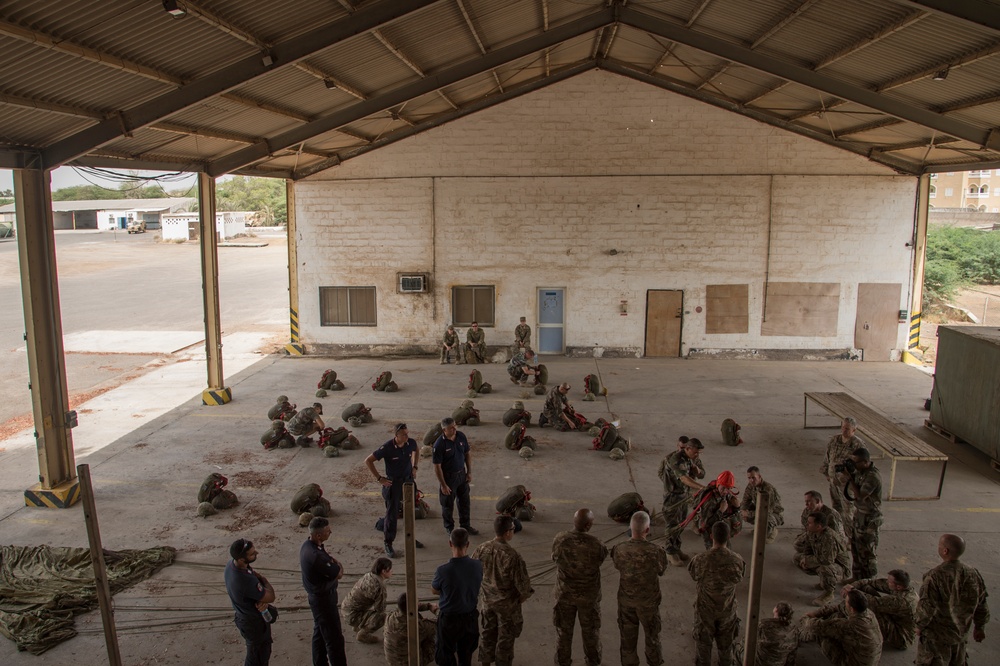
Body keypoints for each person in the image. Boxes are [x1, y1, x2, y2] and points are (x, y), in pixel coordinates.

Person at [914, 533, 990, 665]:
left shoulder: (934, 576)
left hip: (937, 640)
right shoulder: (973, 573)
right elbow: (982, 603)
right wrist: (979, 627)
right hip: (960, 637)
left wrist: (918, 626)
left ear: (945, 551)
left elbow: (927, 606)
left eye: (939, 546)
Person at [471, 515, 534, 666]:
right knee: (504, 643)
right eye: (512, 529)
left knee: (487, 636)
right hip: (507, 608)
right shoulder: (513, 556)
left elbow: (473, 573)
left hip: (487, 604)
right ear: (507, 533)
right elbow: (524, 589)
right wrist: (515, 601)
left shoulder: (481, 549)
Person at [551, 508, 609, 666]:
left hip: (565, 595)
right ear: (589, 525)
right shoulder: (596, 544)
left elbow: (555, 558)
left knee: (563, 633)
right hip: (588, 598)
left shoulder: (560, 539)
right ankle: (592, 662)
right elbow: (601, 559)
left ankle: (562, 662)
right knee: (591, 633)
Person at [611, 510, 668, 666]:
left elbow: (617, 565)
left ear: (630, 527)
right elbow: (661, 570)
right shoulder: (656, 551)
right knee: (652, 638)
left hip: (626, 602)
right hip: (648, 603)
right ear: (647, 530)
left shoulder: (619, 549)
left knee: (627, 641)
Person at [688, 522, 747, 666]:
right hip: (727, 609)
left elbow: (694, 575)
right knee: (726, 646)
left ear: (711, 536)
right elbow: (739, 578)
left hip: (705, 610)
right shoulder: (737, 560)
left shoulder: (701, 559)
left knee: (703, 645)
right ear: (728, 537)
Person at [365, 423, 424, 558]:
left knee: (409, 511)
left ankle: (410, 537)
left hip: (408, 481)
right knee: (392, 514)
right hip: (394, 483)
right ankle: (388, 542)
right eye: (404, 434)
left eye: (407, 433)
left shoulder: (410, 443)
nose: (407, 436)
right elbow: (368, 461)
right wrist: (379, 478)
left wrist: (415, 467)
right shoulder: (387, 448)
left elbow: (416, 449)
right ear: (396, 436)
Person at [299, 517, 347, 666]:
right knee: (334, 640)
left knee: (319, 634)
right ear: (318, 535)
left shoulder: (308, 546)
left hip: (318, 598)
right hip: (324, 600)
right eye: (327, 531)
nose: (330, 532)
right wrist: (337, 564)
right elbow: (338, 573)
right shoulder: (317, 557)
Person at [432, 528, 483, 666]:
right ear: (468, 544)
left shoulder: (442, 571)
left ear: (450, 544)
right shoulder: (478, 566)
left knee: (445, 653)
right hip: (469, 618)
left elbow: (434, 590)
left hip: (449, 620)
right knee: (466, 654)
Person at [225, 538, 276, 666]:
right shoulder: (245, 580)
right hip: (253, 623)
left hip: (244, 617)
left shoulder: (231, 565)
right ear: (241, 559)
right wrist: (263, 580)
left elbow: (252, 572)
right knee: (257, 658)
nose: (256, 553)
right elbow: (270, 596)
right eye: (252, 554)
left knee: (258, 655)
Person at [657, 436, 706, 566]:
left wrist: (697, 471)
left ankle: (676, 549)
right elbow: (684, 479)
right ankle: (669, 552)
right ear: (688, 449)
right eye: (695, 452)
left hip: (683, 496)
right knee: (672, 525)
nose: (697, 455)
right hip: (672, 497)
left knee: (681, 523)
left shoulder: (689, 459)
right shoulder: (676, 459)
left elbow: (701, 474)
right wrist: (702, 488)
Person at [801, 589, 883, 666]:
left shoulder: (850, 625)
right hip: (869, 658)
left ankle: (808, 636)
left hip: (856, 663)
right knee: (837, 615)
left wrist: (805, 618)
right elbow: (839, 607)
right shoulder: (868, 612)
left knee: (822, 635)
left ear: (852, 609)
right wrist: (817, 613)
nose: (844, 602)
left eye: (846, 601)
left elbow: (817, 626)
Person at [843, 569, 917, 650]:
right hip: (896, 619)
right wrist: (853, 586)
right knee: (866, 587)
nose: (887, 582)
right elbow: (870, 582)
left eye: (889, 582)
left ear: (898, 586)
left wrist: (851, 592)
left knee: (866, 610)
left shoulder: (901, 601)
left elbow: (872, 603)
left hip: (901, 636)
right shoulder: (902, 587)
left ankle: (857, 630)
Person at [432, 416, 479, 538]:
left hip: (461, 475)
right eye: (451, 428)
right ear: (444, 430)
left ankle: (465, 525)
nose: (454, 429)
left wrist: (469, 472)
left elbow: (467, 454)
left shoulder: (461, 436)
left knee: (464, 502)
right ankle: (449, 527)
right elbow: (437, 467)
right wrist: (443, 485)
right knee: (447, 504)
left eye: (455, 426)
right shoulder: (439, 445)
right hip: (448, 477)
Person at [793, 511, 850, 605]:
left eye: (810, 523)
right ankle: (824, 581)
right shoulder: (812, 532)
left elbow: (827, 560)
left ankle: (829, 593)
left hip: (839, 568)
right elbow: (808, 549)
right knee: (797, 558)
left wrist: (808, 560)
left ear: (818, 526)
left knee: (825, 568)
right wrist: (805, 558)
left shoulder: (829, 538)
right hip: (823, 560)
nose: (807, 524)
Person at [821, 417, 867, 531]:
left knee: (848, 512)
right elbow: (827, 456)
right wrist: (826, 472)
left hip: (847, 485)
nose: (844, 430)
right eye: (843, 427)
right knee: (836, 509)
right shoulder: (834, 440)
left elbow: (862, 466)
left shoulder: (858, 445)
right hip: (833, 481)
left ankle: (850, 537)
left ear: (854, 430)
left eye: (847, 429)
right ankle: (839, 533)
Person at [844, 447, 882, 582]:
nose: (853, 465)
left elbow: (860, 496)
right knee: (855, 547)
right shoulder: (861, 471)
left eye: (856, 462)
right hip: (859, 514)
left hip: (869, 517)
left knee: (867, 551)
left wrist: (851, 478)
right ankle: (856, 578)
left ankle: (869, 582)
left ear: (866, 462)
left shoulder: (872, 476)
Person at [341, 557, 392, 644]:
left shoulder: (368, 575)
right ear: (383, 571)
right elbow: (380, 609)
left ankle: (358, 625)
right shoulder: (380, 586)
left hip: (346, 609)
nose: (392, 572)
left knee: (369, 609)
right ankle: (363, 635)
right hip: (353, 615)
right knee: (382, 617)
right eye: (390, 570)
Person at [690, 471, 742, 549]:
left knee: (727, 550)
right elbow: (706, 523)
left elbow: (735, 515)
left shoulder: (727, 495)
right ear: (718, 485)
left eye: (728, 488)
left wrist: (737, 507)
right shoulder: (710, 501)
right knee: (714, 551)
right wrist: (721, 510)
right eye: (723, 488)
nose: (725, 491)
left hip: (720, 525)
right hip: (710, 529)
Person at [384, 592, 438, 665]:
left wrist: (428, 606)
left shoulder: (391, 616)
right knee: (435, 636)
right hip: (409, 663)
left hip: (392, 660)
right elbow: (438, 624)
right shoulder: (417, 626)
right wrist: (436, 611)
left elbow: (409, 607)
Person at [739, 466, 784, 543]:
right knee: (741, 509)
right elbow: (745, 502)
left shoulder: (768, 490)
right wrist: (743, 512)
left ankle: (772, 531)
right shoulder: (751, 486)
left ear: (759, 477)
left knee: (765, 518)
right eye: (749, 478)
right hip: (760, 509)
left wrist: (748, 514)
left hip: (774, 514)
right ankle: (759, 528)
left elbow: (767, 511)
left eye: (753, 477)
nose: (751, 480)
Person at [755, 602, 798, 666]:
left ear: (775, 610)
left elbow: (751, 640)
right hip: (779, 663)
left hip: (760, 662)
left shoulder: (764, 624)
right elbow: (792, 653)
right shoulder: (793, 630)